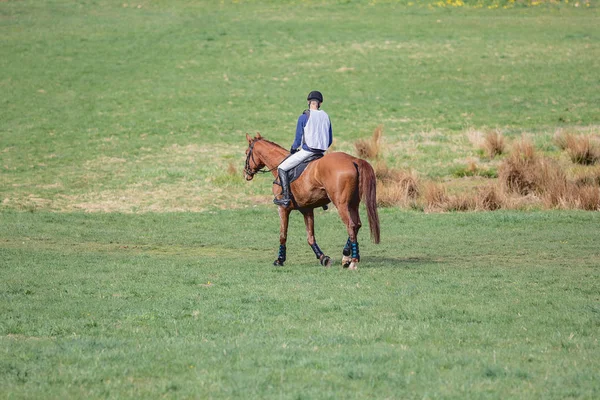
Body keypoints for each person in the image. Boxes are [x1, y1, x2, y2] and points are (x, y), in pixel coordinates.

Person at [274, 90, 333, 207]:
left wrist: (293, 149)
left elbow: (298, 139)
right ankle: (323, 201)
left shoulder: (304, 116)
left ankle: (285, 197)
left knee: (281, 167)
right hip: (321, 153)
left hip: (307, 151)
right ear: (320, 103)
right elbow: (330, 139)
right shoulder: (326, 116)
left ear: (308, 102)